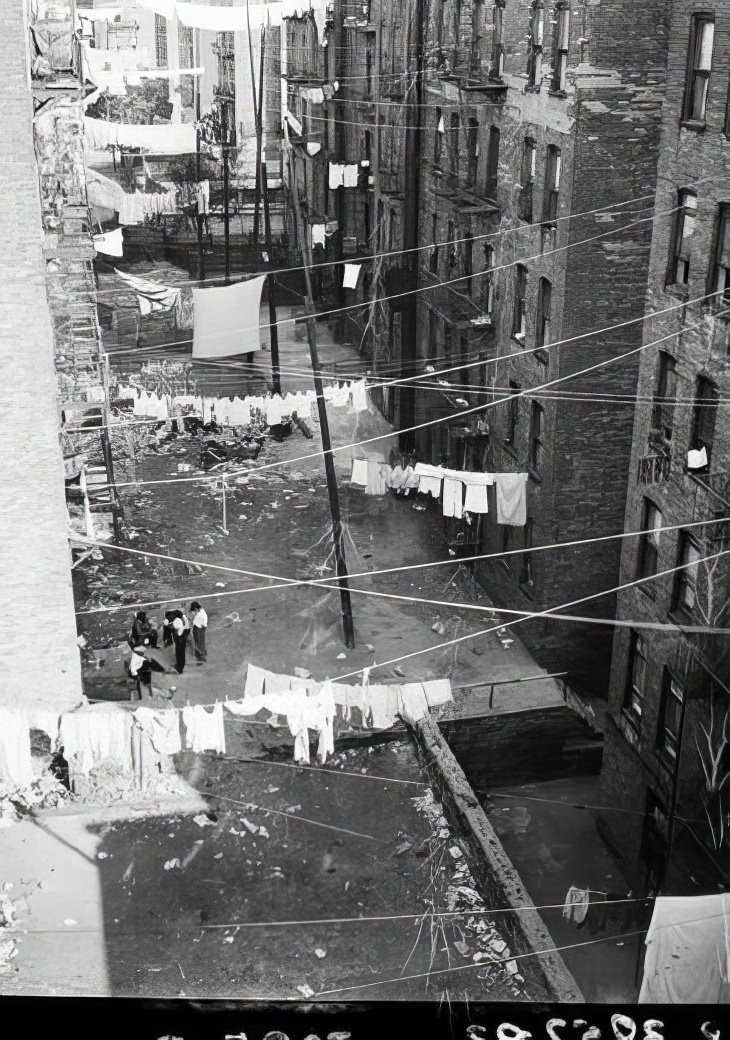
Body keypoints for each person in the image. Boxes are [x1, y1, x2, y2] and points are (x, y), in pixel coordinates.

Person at [171, 609, 190, 674]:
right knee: (182, 652)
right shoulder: (184, 617)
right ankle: (182, 664)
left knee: (178, 653)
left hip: (179, 638)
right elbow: (187, 627)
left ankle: (179, 668)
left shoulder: (176, 620)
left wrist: (170, 625)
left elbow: (174, 628)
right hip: (184, 636)